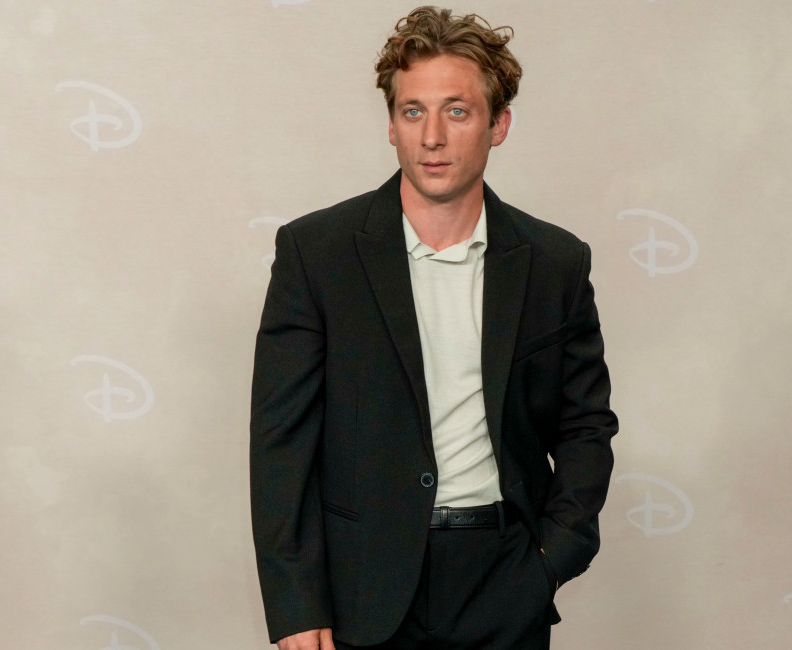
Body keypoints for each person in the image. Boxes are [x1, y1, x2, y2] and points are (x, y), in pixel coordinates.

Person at [250, 6, 618, 649]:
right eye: (413, 111)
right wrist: (296, 602)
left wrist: (550, 561)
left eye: (457, 110)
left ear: (498, 125)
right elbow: (281, 443)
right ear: (391, 126)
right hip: (361, 588)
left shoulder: (555, 263)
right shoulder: (317, 253)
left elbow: (585, 425)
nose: (432, 137)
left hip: (504, 579)